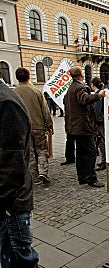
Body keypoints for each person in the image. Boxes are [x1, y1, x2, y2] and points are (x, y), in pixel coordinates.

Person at [0, 79, 39, 267]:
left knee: (19, 258)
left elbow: (11, 166)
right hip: (10, 198)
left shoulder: (6, 102)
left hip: (10, 203)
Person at [64, 66, 105, 187]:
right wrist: (98, 95)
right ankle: (91, 178)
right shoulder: (79, 87)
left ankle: (82, 177)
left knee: (81, 153)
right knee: (91, 152)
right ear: (81, 75)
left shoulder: (71, 87)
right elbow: (84, 99)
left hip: (75, 127)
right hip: (82, 127)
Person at [14, 67, 53, 185]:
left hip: (23, 128)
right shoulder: (36, 91)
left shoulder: (14, 93)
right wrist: (49, 124)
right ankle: (43, 172)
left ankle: (34, 177)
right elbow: (45, 110)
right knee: (42, 150)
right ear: (29, 77)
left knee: (29, 152)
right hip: (38, 126)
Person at [91, 77, 107, 171]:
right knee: (102, 141)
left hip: (99, 121)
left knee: (101, 141)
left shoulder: (98, 95)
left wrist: (96, 121)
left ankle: (104, 160)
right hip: (102, 120)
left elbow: (97, 109)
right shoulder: (102, 93)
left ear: (93, 85)